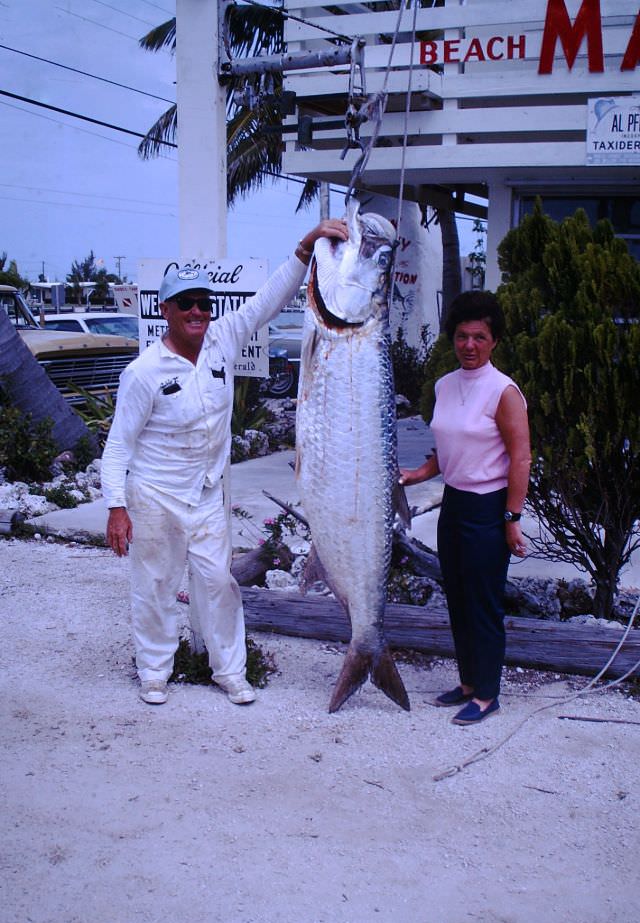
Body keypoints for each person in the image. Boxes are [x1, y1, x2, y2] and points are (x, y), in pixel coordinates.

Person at [102, 219, 348, 706]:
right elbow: (118, 446)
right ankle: (154, 670)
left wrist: (304, 247)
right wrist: (116, 506)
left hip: (208, 495)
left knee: (220, 584)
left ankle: (229, 670)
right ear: (165, 310)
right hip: (155, 496)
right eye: (186, 304)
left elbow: (268, 300)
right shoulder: (143, 372)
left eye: (204, 304)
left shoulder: (223, 340)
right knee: (155, 586)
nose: (197, 312)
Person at [400, 290, 531, 725]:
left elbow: (520, 458)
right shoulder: (444, 384)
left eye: (479, 337)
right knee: (456, 596)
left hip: (488, 509)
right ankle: (469, 683)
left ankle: (488, 693)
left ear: (494, 340)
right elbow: (447, 445)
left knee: (483, 602)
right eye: (461, 336)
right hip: (453, 504)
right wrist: (420, 474)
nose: (469, 346)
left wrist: (512, 519)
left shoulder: (503, 391)